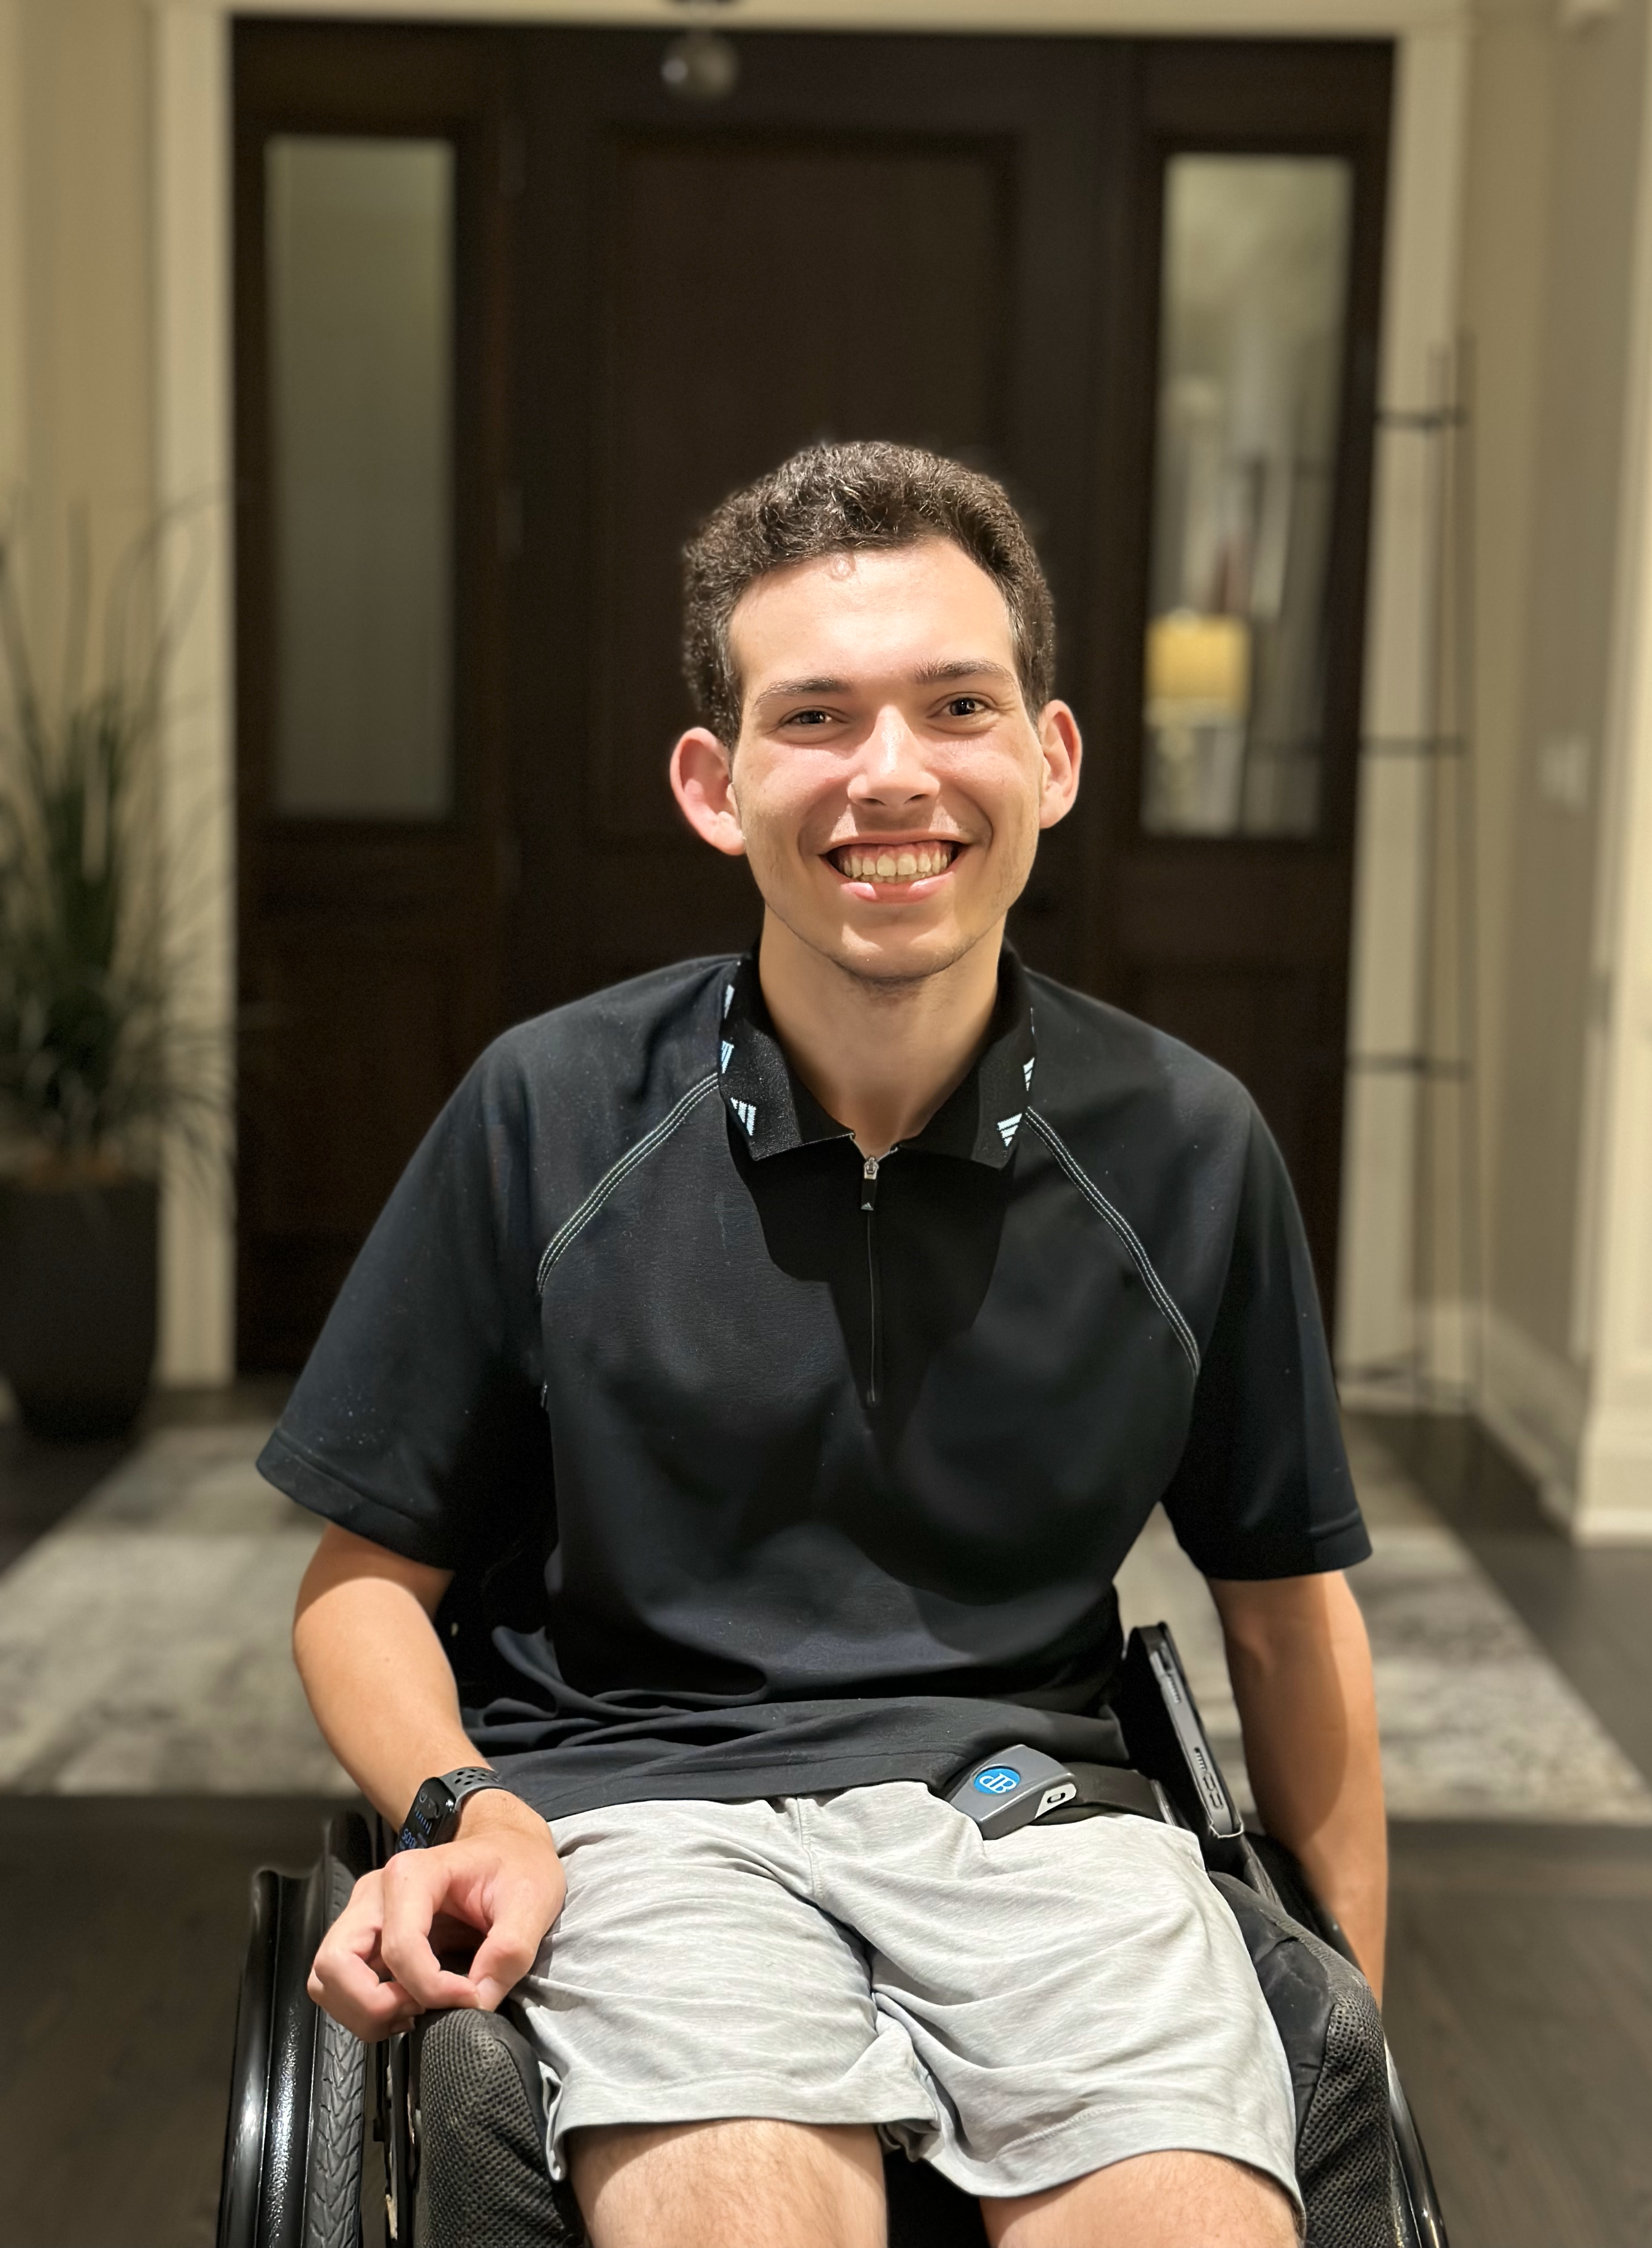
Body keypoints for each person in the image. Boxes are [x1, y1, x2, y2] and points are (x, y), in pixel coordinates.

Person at [279, 442, 1385, 2248]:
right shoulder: (549, 1111)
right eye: (816, 718)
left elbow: (1286, 1605)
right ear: (717, 787)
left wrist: (1355, 2015)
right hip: (641, 1812)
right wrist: (468, 1803)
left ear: (1052, 755)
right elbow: (357, 1583)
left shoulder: (1189, 1146)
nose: (893, 777)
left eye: (958, 703)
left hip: (1042, 1822)